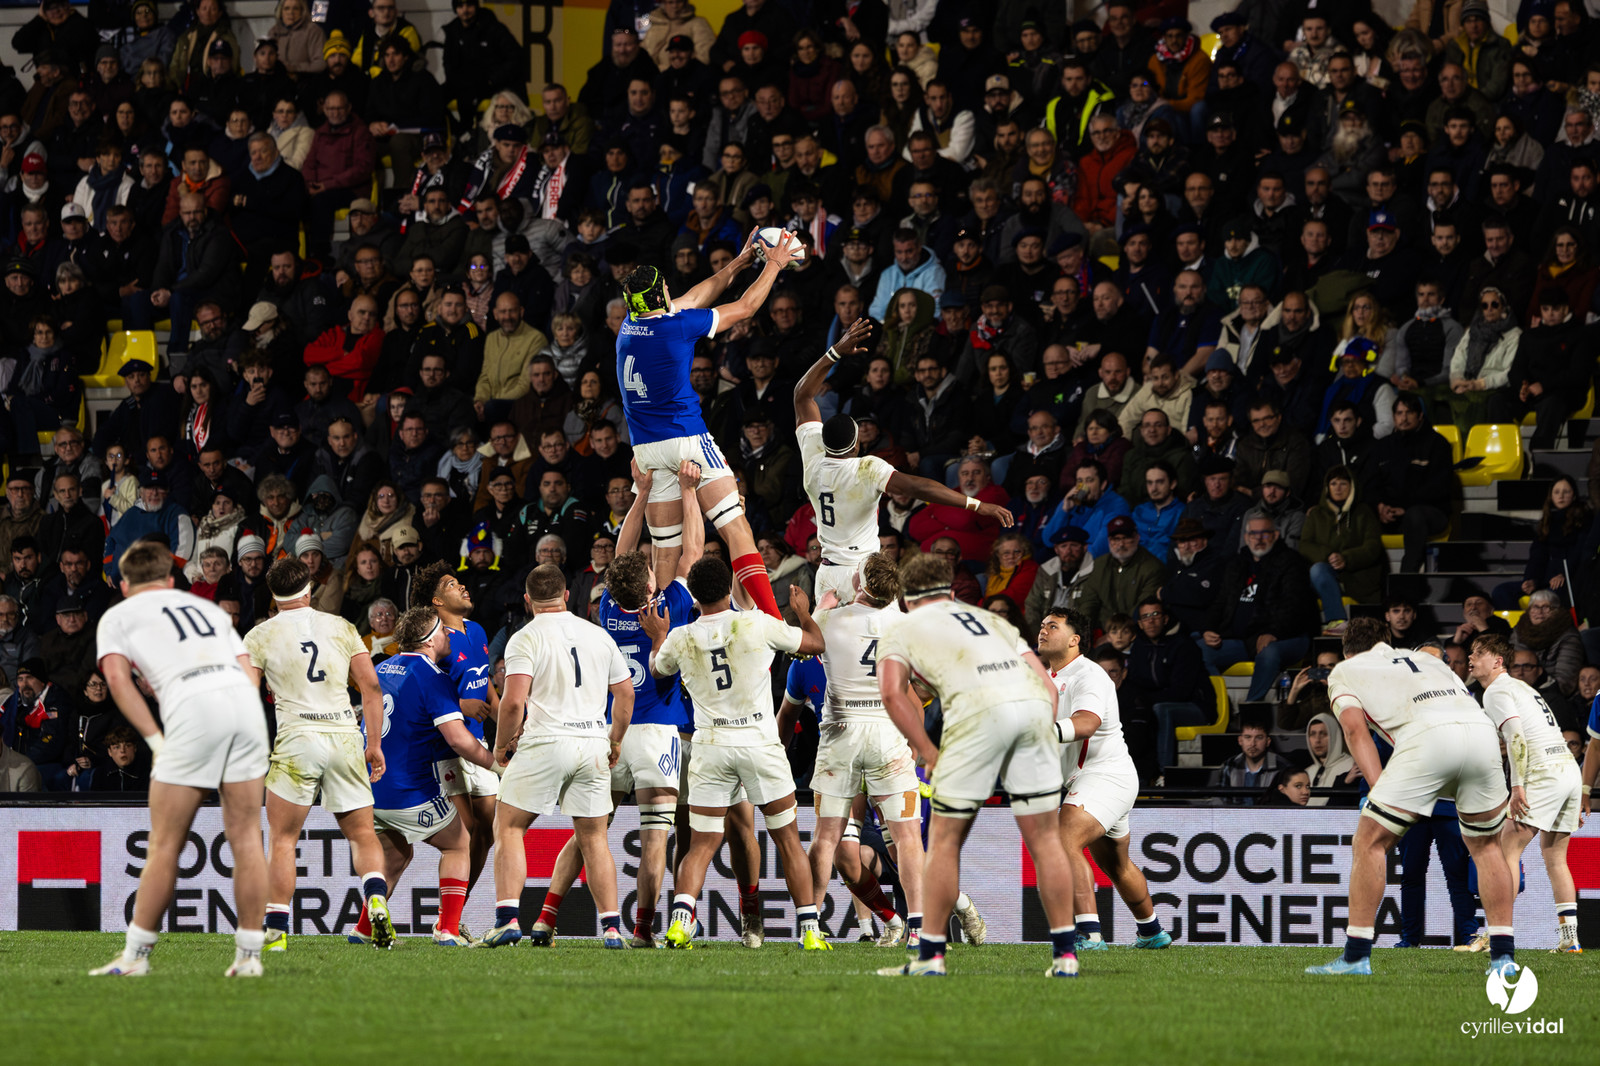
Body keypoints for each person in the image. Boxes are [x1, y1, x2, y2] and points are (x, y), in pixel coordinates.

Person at [874, 553, 1079, 978]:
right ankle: (1065, 957)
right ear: (950, 592)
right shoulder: (992, 620)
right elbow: (1045, 684)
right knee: (1045, 842)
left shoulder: (902, 626)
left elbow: (893, 695)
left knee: (945, 843)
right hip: (1033, 709)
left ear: (908, 599)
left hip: (976, 716)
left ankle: (931, 958)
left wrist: (928, 752)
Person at [89, 541, 268, 978]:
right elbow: (247, 669)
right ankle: (248, 958)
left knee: (166, 843)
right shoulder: (204, 609)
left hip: (193, 711)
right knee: (246, 838)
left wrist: (154, 738)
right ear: (171, 581)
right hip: (246, 707)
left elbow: (115, 678)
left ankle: (135, 958)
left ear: (125, 585)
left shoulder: (119, 614)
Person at [1307, 616, 1517, 976]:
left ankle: (1356, 956)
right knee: (1486, 847)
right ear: (1387, 641)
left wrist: (1377, 789)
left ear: (1347, 649)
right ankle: (1503, 959)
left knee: (1369, 841)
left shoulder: (1346, 669)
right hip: (1482, 736)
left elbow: (1356, 731)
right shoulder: (1427, 659)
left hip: (1428, 739)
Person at [635, 554, 824, 949]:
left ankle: (681, 920)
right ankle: (809, 930)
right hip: (758, 741)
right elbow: (815, 644)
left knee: (702, 844)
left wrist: (657, 636)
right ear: (728, 588)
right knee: (788, 838)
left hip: (711, 745)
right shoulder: (755, 623)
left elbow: (657, 670)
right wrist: (804, 614)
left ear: (695, 597)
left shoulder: (681, 636)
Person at [616, 230, 796, 615]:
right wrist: (774, 264)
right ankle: (772, 617)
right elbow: (745, 307)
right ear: (661, 297)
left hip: (646, 450)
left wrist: (740, 262)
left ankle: (670, 632)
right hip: (686, 439)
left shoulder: (629, 325)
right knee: (736, 528)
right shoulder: (676, 327)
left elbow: (696, 296)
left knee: (666, 551)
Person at [794, 318, 1013, 604]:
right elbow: (920, 487)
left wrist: (834, 352)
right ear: (857, 444)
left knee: (829, 647)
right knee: (882, 646)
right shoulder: (865, 468)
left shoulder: (813, 459)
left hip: (827, 575)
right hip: (863, 575)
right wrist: (976, 504)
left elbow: (802, 395)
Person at [477, 564, 633, 948]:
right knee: (594, 837)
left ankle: (507, 919)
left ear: (528, 601)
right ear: (567, 596)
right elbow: (626, 695)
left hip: (546, 741)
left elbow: (513, 702)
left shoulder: (524, 638)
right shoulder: (599, 635)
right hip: (592, 743)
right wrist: (614, 740)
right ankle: (612, 928)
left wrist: (501, 745)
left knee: (509, 826)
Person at [241, 557, 389, 952]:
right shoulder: (340, 627)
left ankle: (275, 933)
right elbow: (371, 689)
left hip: (297, 740)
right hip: (343, 735)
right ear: (309, 588)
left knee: (285, 840)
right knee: (362, 834)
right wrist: (372, 743)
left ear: (273, 596)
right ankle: (375, 897)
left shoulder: (259, 636)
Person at [802, 553, 927, 949]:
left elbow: (803, 645)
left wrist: (816, 608)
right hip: (888, 734)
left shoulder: (831, 620)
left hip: (841, 732)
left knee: (826, 837)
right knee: (908, 838)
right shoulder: (907, 627)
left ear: (859, 581)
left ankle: (811, 927)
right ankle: (920, 930)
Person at [1036, 607, 1171, 952]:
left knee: (1063, 839)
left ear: (1074, 640)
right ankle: (1152, 932)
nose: (1044, 630)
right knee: (1117, 864)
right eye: (1042, 625)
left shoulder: (1089, 674)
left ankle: (1090, 934)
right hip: (1100, 779)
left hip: (1105, 776)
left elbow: (1086, 724)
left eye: (1053, 626)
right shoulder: (1044, 679)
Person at [365, 604, 496, 947]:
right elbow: (458, 738)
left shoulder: (380, 668)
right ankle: (448, 929)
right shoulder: (431, 676)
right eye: (442, 629)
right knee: (458, 844)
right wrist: (494, 763)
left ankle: (363, 929)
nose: (448, 634)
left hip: (371, 788)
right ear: (428, 640)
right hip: (407, 790)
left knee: (396, 854)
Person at [1469, 633, 1584, 954]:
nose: (1471, 658)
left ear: (1497, 661)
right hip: (1567, 769)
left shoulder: (1496, 690)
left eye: (1479, 653)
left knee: (1504, 852)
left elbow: (1516, 738)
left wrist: (1517, 786)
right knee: (1555, 858)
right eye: (1471, 653)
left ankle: (1495, 933)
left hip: (1543, 773)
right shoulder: (1523, 688)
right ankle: (1570, 939)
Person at [409, 560, 499, 914]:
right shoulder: (433, 645)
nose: (462, 587)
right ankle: (447, 918)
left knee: (487, 832)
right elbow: (424, 693)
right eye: (450, 585)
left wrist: (498, 704)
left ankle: (456, 910)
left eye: (459, 582)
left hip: (480, 743)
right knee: (465, 830)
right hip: (446, 748)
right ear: (436, 603)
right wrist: (464, 704)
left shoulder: (475, 630)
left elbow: (483, 677)